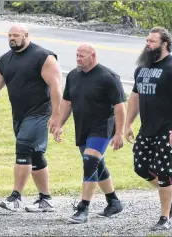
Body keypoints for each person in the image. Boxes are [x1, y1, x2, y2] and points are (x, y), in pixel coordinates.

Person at [0, 24, 62, 212]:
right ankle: (46, 199)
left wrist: (56, 115)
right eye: (9, 35)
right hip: (19, 115)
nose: (12, 38)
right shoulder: (6, 60)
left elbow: (56, 86)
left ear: (26, 35)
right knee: (35, 155)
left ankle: (15, 197)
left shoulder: (43, 57)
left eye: (16, 35)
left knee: (23, 148)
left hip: (39, 112)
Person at [124, 26, 172, 230]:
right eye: (147, 41)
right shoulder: (142, 67)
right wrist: (128, 123)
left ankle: (164, 218)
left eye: (152, 42)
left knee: (164, 173)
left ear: (165, 44)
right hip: (148, 128)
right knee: (141, 167)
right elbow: (135, 97)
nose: (147, 45)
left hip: (168, 129)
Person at [53, 43, 126, 224]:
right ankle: (114, 202)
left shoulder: (108, 77)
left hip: (103, 126)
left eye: (82, 56)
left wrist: (119, 133)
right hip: (83, 126)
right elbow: (67, 103)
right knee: (96, 165)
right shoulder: (72, 76)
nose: (78, 59)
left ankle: (83, 207)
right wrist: (59, 124)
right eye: (77, 55)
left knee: (90, 161)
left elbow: (120, 107)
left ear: (92, 56)